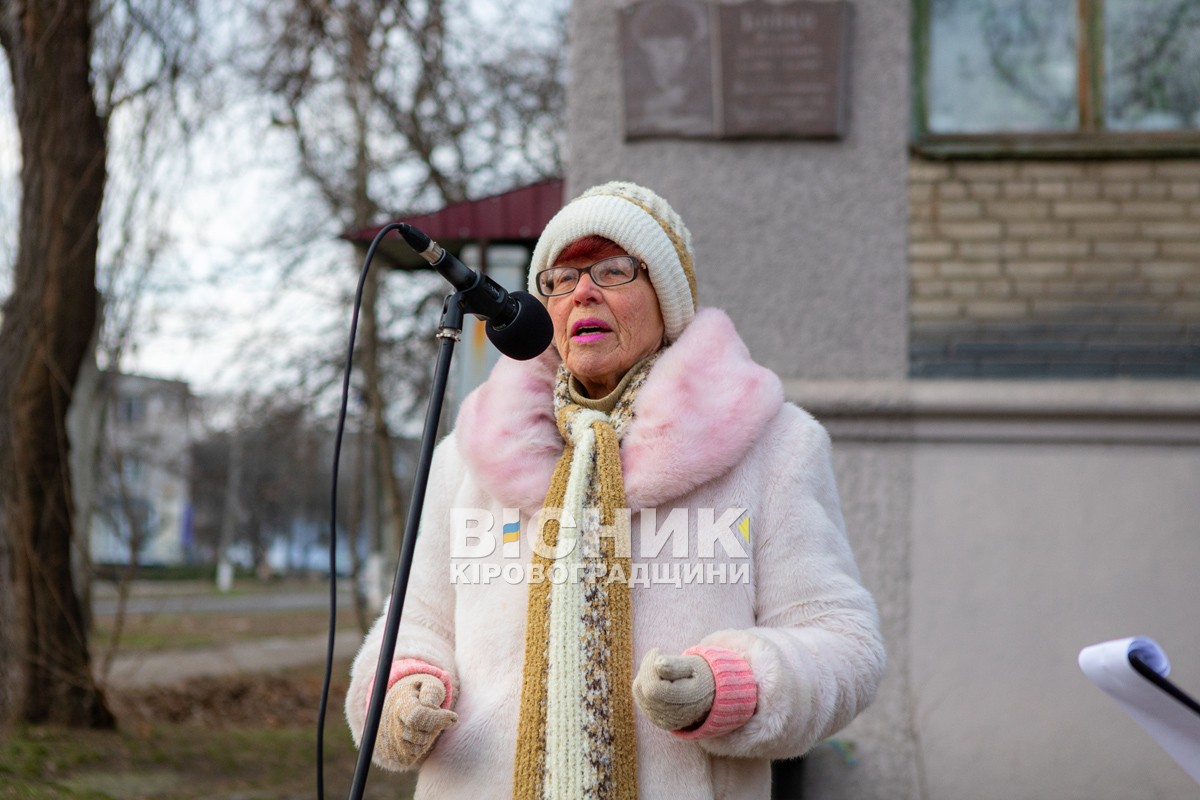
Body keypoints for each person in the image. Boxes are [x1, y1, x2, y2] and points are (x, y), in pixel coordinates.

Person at [345, 181, 885, 799]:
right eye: (561, 278)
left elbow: (846, 645)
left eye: (614, 269)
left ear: (668, 301)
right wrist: (401, 693)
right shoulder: (467, 459)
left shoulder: (772, 449)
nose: (584, 292)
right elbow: (412, 629)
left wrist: (734, 685)